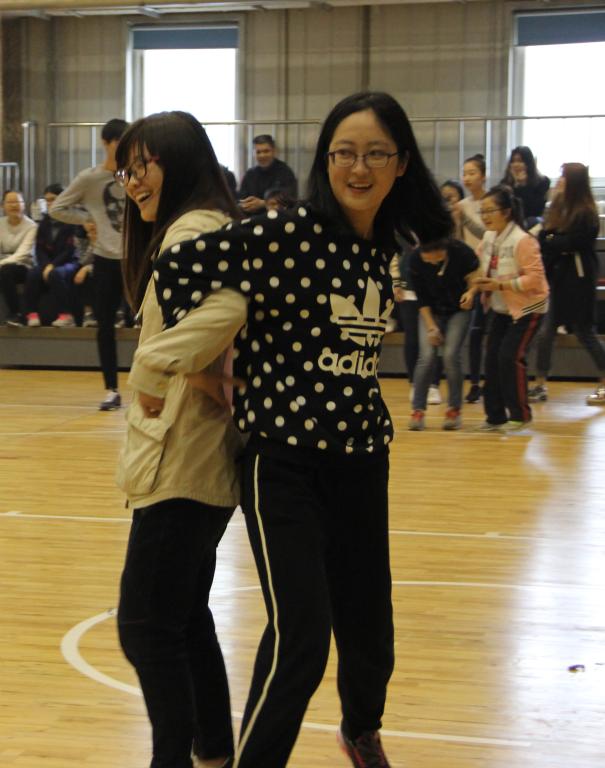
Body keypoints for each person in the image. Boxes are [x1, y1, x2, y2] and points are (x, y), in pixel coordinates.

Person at [143, 90, 451, 768]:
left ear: (401, 163)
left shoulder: (385, 245)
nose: (358, 167)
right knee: (301, 640)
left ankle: (360, 730)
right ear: (325, 160)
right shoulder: (287, 233)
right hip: (283, 461)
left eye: (375, 154)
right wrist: (204, 365)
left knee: (370, 634)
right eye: (344, 153)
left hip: (361, 457)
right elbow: (176, 270)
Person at [114, 111, 244, 768]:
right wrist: (189, 367)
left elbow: (228, 309)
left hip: (184, 459)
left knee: (144, 626)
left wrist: (153, 365)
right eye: (127, 171)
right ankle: (213, 752)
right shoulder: (201, 226)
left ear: (181, 162)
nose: (133, 182)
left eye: (144, 166)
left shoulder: (194, 230)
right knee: (184, 616)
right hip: (190, 455)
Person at [50, 117, 129, 410]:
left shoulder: (136, 175)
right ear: (106, 143)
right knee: (105, 325)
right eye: (119, 142)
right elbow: (57, 208)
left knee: (150, 323)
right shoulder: (90, 179)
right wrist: (85, 219)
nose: (124, 148)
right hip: (105, 259)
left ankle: (156, 388)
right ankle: (111, 389)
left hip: (136, 260)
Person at [472, 184, 549, 431]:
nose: (484, 216)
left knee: (509, 357)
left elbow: (535, 279)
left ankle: (520, 415)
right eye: (482, 211)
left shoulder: (523, 240)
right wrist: (471, 290)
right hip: (501, 308)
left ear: (506, 212)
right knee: (492, 359)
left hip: (529, 307)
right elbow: (479, 269)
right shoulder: (488, 237)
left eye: (489, 211)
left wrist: (500, 285)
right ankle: (495, 417)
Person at [530, 163, 605, 406]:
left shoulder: (586, 212)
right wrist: (554, 239)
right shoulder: (556, 206)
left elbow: (573, 242)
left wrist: (554, 239)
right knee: (546, 331)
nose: (559, 180)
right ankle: (540, 383)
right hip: (557, 278)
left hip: (579, 279)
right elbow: (545, 238)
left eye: (563, 176)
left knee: (584, 332)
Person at [407, 238, 479, 431]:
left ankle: (454, 410)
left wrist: (471, 293)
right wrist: (431, 327)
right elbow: (421, 298)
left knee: (450, 356)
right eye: (426, 259)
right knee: (426, 357)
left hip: (459, 310)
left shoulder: (462, 252)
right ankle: (417, 410)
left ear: (443, 250)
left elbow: (475, 277)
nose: (430, 263)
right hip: (431, 311)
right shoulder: (415, 259)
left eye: (434, 259)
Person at [21, 183, 81, 327]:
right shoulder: (44, 222)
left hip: (69, 262)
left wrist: (52, 266)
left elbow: (70, 250)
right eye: (47, 200)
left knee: (56, 274)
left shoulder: (72, 220)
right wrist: (46, 265)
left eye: (53, 199)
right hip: (48, 263)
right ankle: (31, 313)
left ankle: (66, 315)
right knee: (33, 274)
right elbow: (39, 249)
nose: (49, 203)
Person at [456, 154, 488, 404]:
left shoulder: (491, 202)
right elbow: (459, 238)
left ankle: (493, 381)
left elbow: (487, 232)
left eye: (472, 173)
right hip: (470, 273)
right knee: (475, 334)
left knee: (492, 332)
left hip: (492, 271)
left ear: (483, 176)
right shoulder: (461, 205)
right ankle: (475, 383)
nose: (467, 178)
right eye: (464, 173)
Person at [0, 190, 37, 325]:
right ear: (3, 206)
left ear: (24, 205)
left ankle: (16, 313)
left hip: (24, 266)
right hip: (3, 264)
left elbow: (23, 253)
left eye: (17, 202)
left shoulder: (31, 226)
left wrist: (2, 262)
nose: (14, 205)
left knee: (6, 271)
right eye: (10, 202)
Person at [238, 134, 298, 214]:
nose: (262, 155)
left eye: (266, 151)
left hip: (278, 218)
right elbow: (240, 199)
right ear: (253, 154)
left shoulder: (285, 172)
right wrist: (245, 205)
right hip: (252, 218)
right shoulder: (249, 175)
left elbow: (290, 200)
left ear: (274, 151)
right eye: (258, 152)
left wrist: (263, 204)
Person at [501, 145, 550, 227]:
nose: (516, 165)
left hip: (532, 223)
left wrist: (522, 185)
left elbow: (535, 210)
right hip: (510, 224)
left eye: (520, 161)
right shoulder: (504, 183)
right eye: (513, 161)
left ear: (528, 163)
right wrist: (515, 185)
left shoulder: (542, 182)